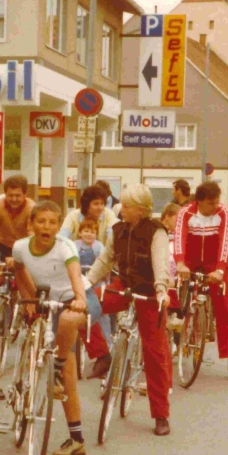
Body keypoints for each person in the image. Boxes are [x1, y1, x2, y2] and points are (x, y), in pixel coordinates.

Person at [11, 201, 97, 455]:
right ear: (31, 224)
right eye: (41, 221)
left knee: (69, 337)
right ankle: (53, 377)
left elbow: (74, 276)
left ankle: (58, 371)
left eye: (52, 222)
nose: (46, 227)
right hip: (45, 300)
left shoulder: (65, 247)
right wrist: (29, 298)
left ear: (58, 226)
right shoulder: (21, 247)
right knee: (53, 352)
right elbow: (18, 271)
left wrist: (79, 299)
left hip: (74, 297)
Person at [83, 184, 173, 436]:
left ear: (142, 209)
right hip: (123, 285)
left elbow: (160, 264)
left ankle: (161, 414)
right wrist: (86, 283)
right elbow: (105, 260)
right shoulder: (118, 230)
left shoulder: (156, 231)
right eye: (121, 204)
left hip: (150, 292)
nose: (122, 209)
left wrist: (161, 290)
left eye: (128, 205)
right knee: (82, 309)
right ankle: (102, 355)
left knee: (155, 352)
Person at [172, 180, 228, 381]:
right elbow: (178, 238)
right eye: (211, 203)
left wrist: (220, 269)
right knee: (175, 294)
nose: (215, 206)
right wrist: (180, 264)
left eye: (218, 201)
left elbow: (225, 242)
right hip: (191, 260)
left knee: (224, 308)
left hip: (214, 262)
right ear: (199, 202)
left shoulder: (223, 213)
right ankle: (178, 335)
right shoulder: (185, 213)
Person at [0, 174, 35, 299]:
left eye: (18, 195)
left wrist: (17, 257)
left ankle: (27, 313)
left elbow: (32, 237)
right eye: (10, 195)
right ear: (5, 193)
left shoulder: (32, 208)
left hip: (23, 247)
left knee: (26, 289)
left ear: (25, 195)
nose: (14, 199)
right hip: (2, 246)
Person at [74, 218, 112, 377]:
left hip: (94, 281)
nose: (89, 234)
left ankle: (106, 344)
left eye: (92, 232)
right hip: (77, 280)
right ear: (80, 232)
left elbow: (105, 265)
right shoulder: (74, 246)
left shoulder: (99, 247)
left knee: (99, 311)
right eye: (86, 231)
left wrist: (103, 279)